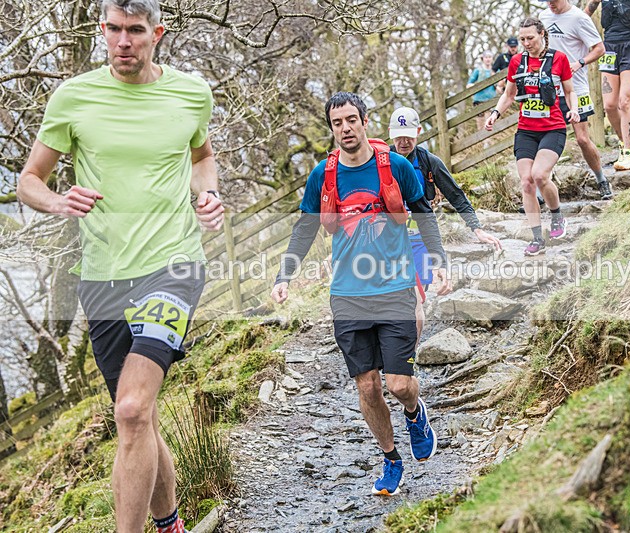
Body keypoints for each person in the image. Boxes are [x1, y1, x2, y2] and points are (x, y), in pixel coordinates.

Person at [15, 1, 223, 532]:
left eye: (134, 30)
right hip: (103, 277)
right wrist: (57, 201)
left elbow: (201, 157)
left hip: (174, 265)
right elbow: (29, 180)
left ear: (157, 32)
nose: (123, 41)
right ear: (102, 29)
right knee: (139, 417)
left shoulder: (191, 93)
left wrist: (207, 195)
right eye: (113, 29)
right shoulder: (74, 97)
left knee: (130, 410)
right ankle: (170, 524)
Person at [271, 92, 451, 497]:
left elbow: (424, 214)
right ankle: (391, 459)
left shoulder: (395, 166)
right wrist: (285, 275)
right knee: (368, 386)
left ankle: (414, 412)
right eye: (337, 123)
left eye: (352, 119)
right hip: (347, 294)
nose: (346, 128)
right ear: (332, 129)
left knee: (399, 384)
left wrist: (438, 260)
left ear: (365, 121)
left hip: (395, 288)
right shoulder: (323, 175)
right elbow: (305, 228)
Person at [388, 106, 502, 339]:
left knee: (415, 301)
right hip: (389, 243)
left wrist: (477, 229)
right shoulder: (381, 161)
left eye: (408, 136)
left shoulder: (429, 162)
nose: (403, 142)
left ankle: (409, 352)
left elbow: (456, 195)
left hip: (419, 240)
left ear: (418, 131)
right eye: (398, 136)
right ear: (390, 134)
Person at [485, 17, 579, 256]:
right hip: (526, 130)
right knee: (526, 182)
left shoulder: (559, 59)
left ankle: (557, 216)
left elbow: (570, 91)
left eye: (530, 38)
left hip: (553, 128)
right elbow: (509, 95)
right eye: (522, 39)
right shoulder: (517, 62)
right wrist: (495, 113)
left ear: (542, 35)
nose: (526, 43)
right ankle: (537, 238)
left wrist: (574, 109)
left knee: (539, 175)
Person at [540, 0, 613, 199]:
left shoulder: (579, 18)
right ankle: (541, 189)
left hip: (576, 88)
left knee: (582, 139)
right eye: (547, 1)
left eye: (553, 1)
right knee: (546, 139)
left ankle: (601, 179)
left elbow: (599, 48)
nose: (550, 4)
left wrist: (579, 63)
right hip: (550, 88)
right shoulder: (543, 17)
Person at [584, 0, 630, 171]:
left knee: (624, 101)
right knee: (609, 106)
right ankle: (623, 141)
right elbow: (584, 16)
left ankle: (627, 153)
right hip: (609, 48)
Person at [468, 51, 498, 131]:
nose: (488, 59)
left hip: (491, 100)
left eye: (489, 57)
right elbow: (469, 84)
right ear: (483, 59)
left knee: (490, 123)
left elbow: (500, 84)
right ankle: (482, 139)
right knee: (480, 125)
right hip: (479, 100)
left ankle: (490, 139)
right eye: (486, 57)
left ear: (492, 59)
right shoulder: (478, 70)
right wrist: (477, 86)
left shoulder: (495, 71)